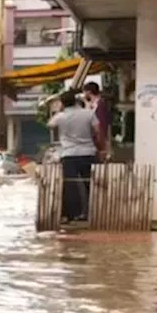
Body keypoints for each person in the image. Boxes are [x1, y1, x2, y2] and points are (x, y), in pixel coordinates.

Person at [47, 91, 99, 223]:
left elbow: (50, 125)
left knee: (70, 185)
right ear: (76, 101)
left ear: (63, 103)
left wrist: (60, 111)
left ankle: (71, 215)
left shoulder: (61, 117)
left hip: (69, 154)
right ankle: (90, 213)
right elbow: (98, 132)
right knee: (90, 184)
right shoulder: (88, 114)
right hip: (88, 153)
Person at [83, 81, 111, 160]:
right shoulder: (93, 104)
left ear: (88, 92)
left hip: (97, 139)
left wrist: (101, 140)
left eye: (84, 92)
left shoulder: (100, 105)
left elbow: (101, 124)